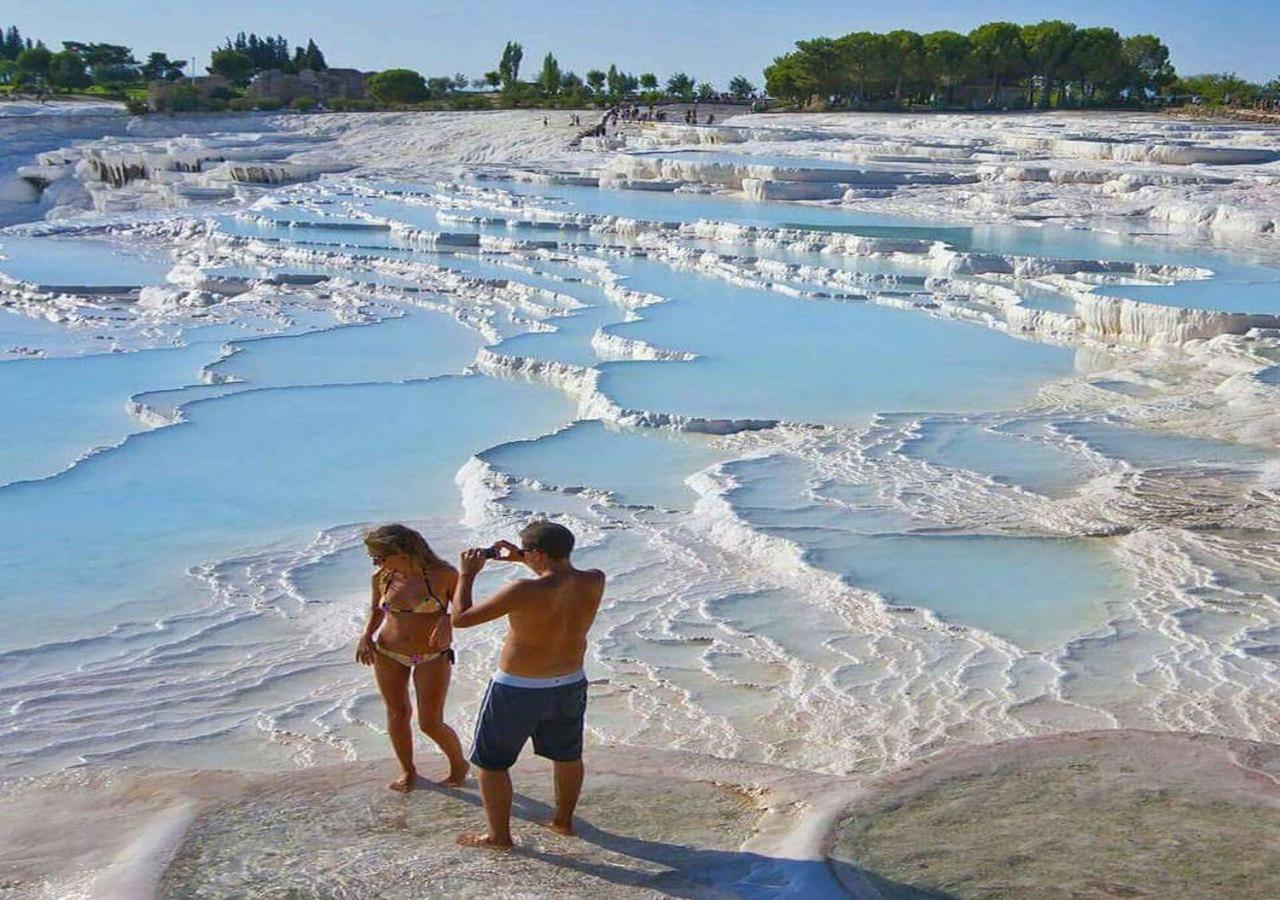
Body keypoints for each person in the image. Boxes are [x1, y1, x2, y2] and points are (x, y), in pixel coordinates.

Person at [450, 520, 605, 849]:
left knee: (491, 764)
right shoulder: (594, 579)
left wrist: (467, 574)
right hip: (570, 682)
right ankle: (563, 821)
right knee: (566, 756)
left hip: (519, 687)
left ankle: (498, 836)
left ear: (537, 554)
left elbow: (461, 619)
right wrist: (525, 558)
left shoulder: (522, 590)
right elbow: (557, 577)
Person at [356, 524, 469, 792]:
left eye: (380, 556)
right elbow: (376, 610)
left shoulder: (444, 574)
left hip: (431, 655)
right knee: (397, 714)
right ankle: (408, 770)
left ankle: (459, 765)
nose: (376, 562)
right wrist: (365, 636)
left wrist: (446, 620)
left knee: (430, 722)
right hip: (388, 652)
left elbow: (464, 611)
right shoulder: (382, 577)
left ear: (401, 550)